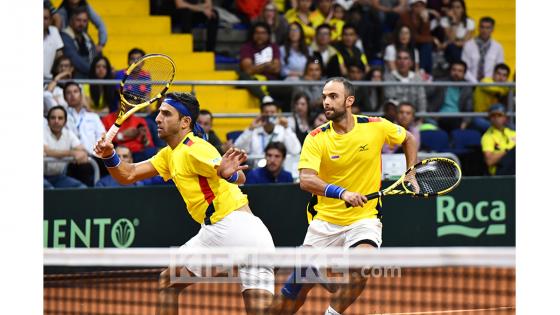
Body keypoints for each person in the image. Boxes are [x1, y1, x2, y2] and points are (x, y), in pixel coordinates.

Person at [93, 92, 276, 315]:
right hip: (255, 233)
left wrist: (229, 174)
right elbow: (127, 174)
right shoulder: (170, 154)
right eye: (159, 113)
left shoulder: (195, 148)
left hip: (226, 228)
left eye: (166, 114)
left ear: (185, 122)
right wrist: (109, 155)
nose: (158, 119)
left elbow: (238, 176)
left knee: (168, 281)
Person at [270, 77, 417, 315]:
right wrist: (343, 193)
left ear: (349, 101)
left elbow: (408, 138)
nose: (326, 102)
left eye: (333, 97)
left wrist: (411, 172)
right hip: (324, 221)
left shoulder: (375, 126)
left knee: (362, 267)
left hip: (364, 218)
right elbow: (306, 180)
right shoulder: (316, 137)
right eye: (324, 97)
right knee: (294, 289)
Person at [234, 97, 302, 157]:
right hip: (257, 169)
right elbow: (238, 149)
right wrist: (250, 129)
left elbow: (295, 151)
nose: (269, 115)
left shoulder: (283, 130)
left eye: (272, 112)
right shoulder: (254, 131)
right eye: (266, 112)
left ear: (278, 113)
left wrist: (287, 128)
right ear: (261, 114)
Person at [44, 106, 88, 189]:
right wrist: (72, 153)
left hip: (59, 177)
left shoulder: (68, 133)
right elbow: (48, 151)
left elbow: (81, 148)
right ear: (48, 121)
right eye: (53, 118)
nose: (56, 121)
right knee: (51, 192)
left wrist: (83, 153)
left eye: (60, 118)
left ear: (65, 122)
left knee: (82, 188)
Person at [238, 22, 281, 101]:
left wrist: (256, 68)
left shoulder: (274, 47)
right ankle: (265, 98)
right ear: (253, 34)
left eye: (263, 33)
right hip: (254, 81)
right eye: (257, 33)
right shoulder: (246, 47)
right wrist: (265, 65)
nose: (260, 36)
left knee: (291, 89)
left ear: (268, 35)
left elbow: (277, 68)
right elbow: (248, 70)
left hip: (270, 82)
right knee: (243, 76)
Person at [427, 60, 472, 133]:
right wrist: (432, 113)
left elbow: (469, 108)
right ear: (450, 71)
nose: (456, 73)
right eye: (454, 70)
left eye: (460, 71)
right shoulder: (440, 83)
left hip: (457, 118)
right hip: (439, 117)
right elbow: (426, 96)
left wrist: (464, 123)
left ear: (464, 74)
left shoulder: (467, 87)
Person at [64, 81, 106, 157]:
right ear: (64, 97)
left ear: (81, 95)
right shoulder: (61, 117)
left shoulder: (93, 116)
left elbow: (103, 137)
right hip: (70, 157)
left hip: (93, 158)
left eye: (75, 91)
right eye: (68, 93)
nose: (72, 95)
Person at [461, 16, 504, 82]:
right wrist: (475, 83)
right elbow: (464, 68)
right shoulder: (468, 45)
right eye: (482, 27)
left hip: (490, 85)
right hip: (470, 83)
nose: (484, 30)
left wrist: (488, 84)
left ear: (492, 29)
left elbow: (500, 69)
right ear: (478, 28)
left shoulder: (498, 47)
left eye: (488, 28)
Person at [398, 0, 435, 76]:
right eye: (417, 6)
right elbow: (411, 36)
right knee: (427, 43)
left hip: (419, 44)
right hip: (406, 43)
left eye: (422, 6)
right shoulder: (405, 16)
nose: (419, 8)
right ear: (411, 7)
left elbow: (426, 35)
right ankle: (422, 71)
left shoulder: (424, 17)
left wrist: (425, 21)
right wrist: (432, 39)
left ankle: (425, 72)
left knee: (427, 46)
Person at [471, 63, 511, 132]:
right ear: (493, 74)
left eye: (504, 75)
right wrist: (504, 89)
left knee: (512, 127)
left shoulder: (506, 85)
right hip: (480, 116)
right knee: (492, 127)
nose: (501, 77)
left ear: (507, 78)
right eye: (498, 74)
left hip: (496, 117)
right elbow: (491, 88)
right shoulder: (485, 80)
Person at [60, 6, 98, 78]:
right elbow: (76, 61)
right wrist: (95, 70)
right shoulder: (64, 36)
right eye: (78, 20)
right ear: (71, 20)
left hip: (88, 76)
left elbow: (95, 55)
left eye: (84, 21)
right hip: (73, 78)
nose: (81, 24)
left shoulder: (86, 37)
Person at [481, 103, 515, 175]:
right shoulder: (487, 137)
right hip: (499, 170)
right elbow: (489, 161)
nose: (496, 118)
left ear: (505, 118)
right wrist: (507, 151)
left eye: (499, 115)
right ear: (489, 118)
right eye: (493, 115)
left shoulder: (513, 133)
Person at [44, 3, 64, 79]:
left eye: (45, 18)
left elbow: (59, 55)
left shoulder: (54, 32)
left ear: (50, 20)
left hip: (47, 80)